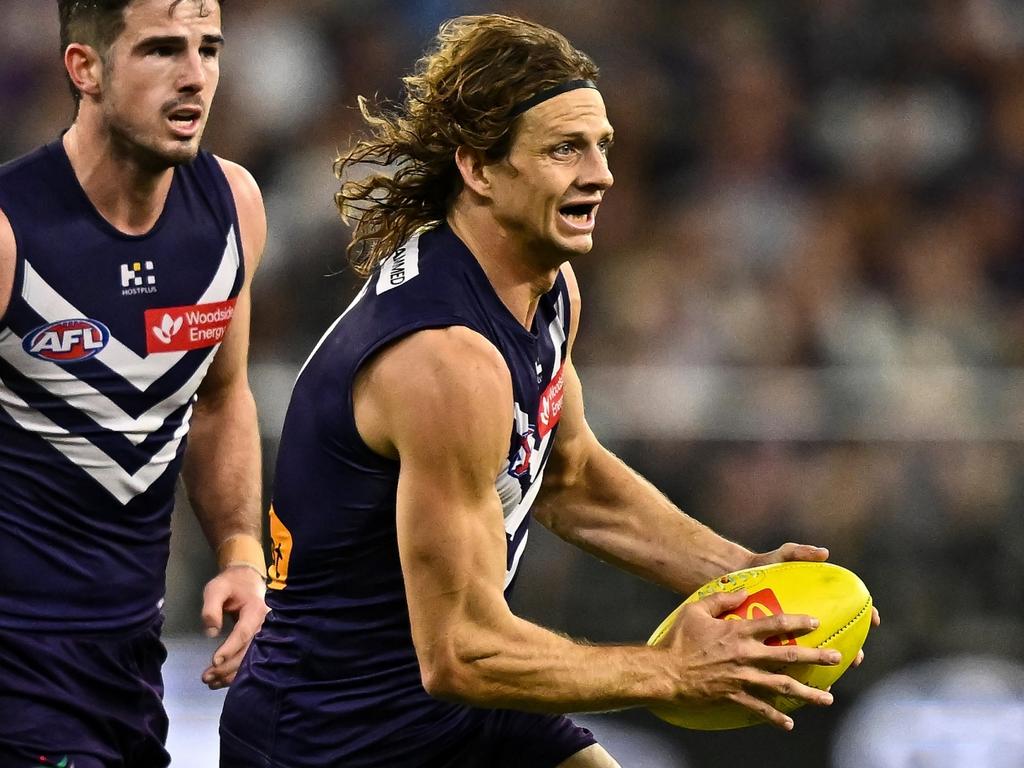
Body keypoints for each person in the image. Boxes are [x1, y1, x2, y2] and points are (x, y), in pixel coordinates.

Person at [220, 14, 875, 768]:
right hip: (333, 737)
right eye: (565, 148)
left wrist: (744, 577)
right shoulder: (444, 359)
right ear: (478, 168)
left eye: (602, 146)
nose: (599, 174)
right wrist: (673, 671)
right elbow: (461, 652)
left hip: (456, 711)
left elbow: (568, 476)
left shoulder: (546, 287)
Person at [0, 1, 268, 766]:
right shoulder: (9, 231)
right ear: (85, 68)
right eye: (160, 51)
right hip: (18, 674)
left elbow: (220, 400)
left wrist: (242, 553)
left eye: (208, 49)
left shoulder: (232, 209)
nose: (195, 77)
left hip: (129, 673)